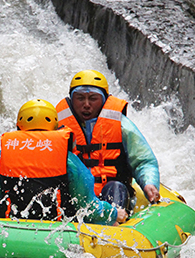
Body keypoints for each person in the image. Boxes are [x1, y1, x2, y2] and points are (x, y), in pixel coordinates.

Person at [0, 98, 127, 225]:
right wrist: (113, 214)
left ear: (19, 126)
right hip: (58, 231)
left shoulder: (1, 158)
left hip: (11, 229)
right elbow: (87, 208)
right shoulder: (69, 160)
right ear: (55, 127)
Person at [55, 70, 161, 211]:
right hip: (76, 196)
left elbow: (143, 161)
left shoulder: (122, 125)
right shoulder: (58, 127)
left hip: (112, 195)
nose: (86, 104)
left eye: (93, 98)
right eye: (80, 98)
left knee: (116, 188)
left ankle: (114, 221)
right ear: (71, 100)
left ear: (104, 100)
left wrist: (149, 182)